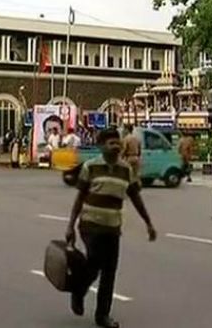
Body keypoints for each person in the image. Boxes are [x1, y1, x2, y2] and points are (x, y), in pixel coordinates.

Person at [65, 128, 157, 328]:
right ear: (101, 146)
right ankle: (79, 291)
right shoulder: (90, 167)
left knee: (109, 271)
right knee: (95, 263)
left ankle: (102, 315)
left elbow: (135, 197)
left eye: (118, 143)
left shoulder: (126, 169)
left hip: (112, 228)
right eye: (111, 143)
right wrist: (70, 226)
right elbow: (79, 198)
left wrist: (148, 223)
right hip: (90, 225)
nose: (116, 146)